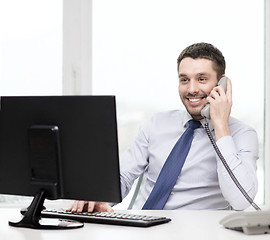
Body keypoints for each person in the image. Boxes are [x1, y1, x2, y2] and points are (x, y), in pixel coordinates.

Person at [68, 42, 259, 212]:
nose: (192, 89)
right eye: (184, 80)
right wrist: (98, 197)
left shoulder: (243, 134)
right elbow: (124, 175)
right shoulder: (155, 124)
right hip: (146, 229)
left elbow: (241, 200)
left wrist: (220, 127)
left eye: (201, 79)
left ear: (221, 84)